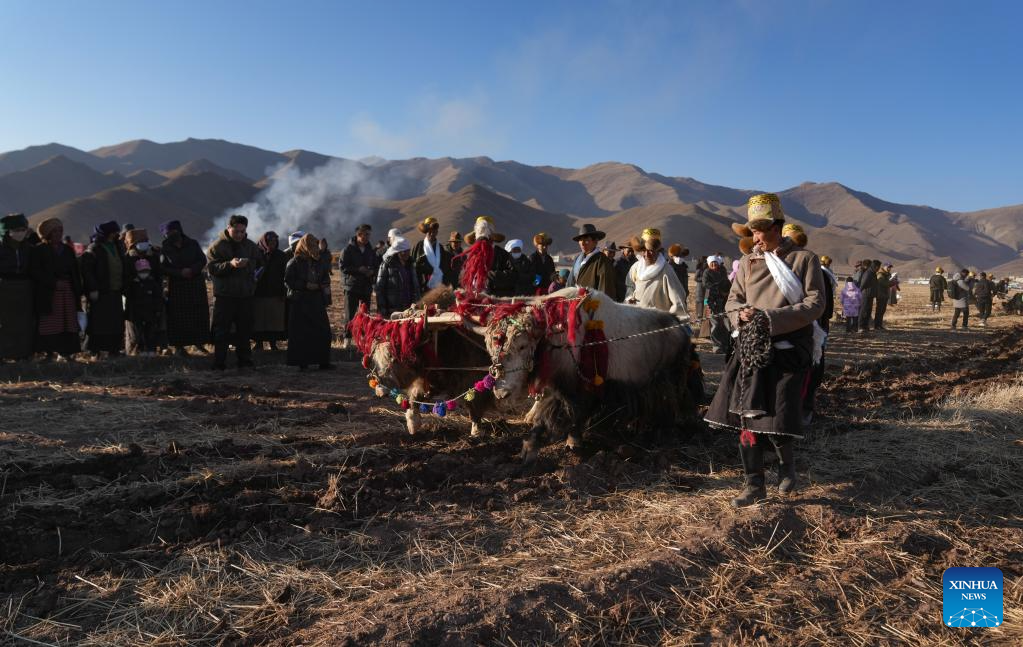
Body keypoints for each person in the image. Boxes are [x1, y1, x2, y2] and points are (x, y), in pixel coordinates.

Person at [704, 193, 825, 507]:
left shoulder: (804, 259)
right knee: (745, 418)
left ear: (777, 227)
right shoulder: (746, 262)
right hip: (750, 348)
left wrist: (771, 318)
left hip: (787, 349)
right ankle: (753, 484)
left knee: (778, 418)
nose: (755, 237)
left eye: (760, 230)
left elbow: (815, 303)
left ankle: (787, 466)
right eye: (752, 231)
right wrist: (740, 313)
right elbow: (733, 300)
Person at [207, 215, 264, 370]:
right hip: (225, 296)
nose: (239, 234)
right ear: (228, 228)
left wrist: (248, 265)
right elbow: (212, 268)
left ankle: (245, 361)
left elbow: (259, 263)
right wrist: (230, 265)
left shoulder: (250, 246)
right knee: (221, 331)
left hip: (245, 295)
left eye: (242, 231)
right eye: (236, 231)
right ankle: (219, 362)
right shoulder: (217, 247)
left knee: (244, 330)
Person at [29, 219, 82, 360]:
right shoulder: (39, 250)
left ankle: (67, 352)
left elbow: (74, 271)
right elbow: (36, 272)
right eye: (55, 231)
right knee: (50, 323)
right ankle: (49, 352)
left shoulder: (68, 250)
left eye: (60, 231)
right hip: (49, 293)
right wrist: (52, 283)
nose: (59, 234)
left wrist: (76, 288)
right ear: (47, 234)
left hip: (67, 292)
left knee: (68, 322)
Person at [160, 220, 210, 355]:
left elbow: (202, 260)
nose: (172, 235)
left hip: (195, 284)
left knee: (198, 314)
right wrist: (179, 272)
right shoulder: (165, 248)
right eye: (169, 233)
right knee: (178, 317)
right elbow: (163, 267)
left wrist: (192, 270)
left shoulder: (192, 244)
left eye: (174, 231)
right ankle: (179, 347)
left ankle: (199, 343)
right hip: (177, 286)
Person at [285, 234, 333, 370]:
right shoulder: (294, 262)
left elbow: (325, 278)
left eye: (315, 245)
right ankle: (303, 363)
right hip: (300, 301)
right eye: (311, 246)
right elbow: (288, 281)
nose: (314, 248)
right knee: (302, 333)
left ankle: (323, 361)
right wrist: (305, 285)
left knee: (322, 331)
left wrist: (321, 287)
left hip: (316, 300)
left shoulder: (319, 262)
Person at [80, 220, 126, 357]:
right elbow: (87, 271)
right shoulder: (95, 248)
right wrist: (93, 288)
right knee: (99, 323)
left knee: (115, 322)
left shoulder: (117, 246)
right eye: (113, 233)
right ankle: (95, 350)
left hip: (115, 290)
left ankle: (114, 349)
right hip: (101, 291)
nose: (116, 235)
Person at [624, 228, 688, 317]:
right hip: (636, 320)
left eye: (650, 250)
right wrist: (629, 298)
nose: (646, 254)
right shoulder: (635, 268)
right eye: (644, 250)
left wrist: (670, 323)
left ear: (658, 250)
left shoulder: (666, 270)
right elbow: (630, 287)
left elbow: (678, 302)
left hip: (657, 323)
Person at [123, 228, 166, 354]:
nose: (146, 243)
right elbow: (125, 279)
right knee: (135, 328)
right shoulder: (128, 258)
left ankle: (151, 350)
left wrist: (156, 290)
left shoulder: (153, 256)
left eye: (146, 240)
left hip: (151, 298)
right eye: (142, 241)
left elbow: (159, 275)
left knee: (152, 326)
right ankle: (134, 350)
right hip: (134, 299)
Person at [0, 213, 36, 360]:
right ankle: (3, 353)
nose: (20, 233)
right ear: (7, 231)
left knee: (23, 322)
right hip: (4, 287)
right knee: (4, 322)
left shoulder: (28, 248)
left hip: (25, 288)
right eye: (17, 229)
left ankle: (22, 354)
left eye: (23, 229)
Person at [457, 216, 515, 296]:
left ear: (492, 237)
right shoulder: (471, 255)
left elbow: (513, 275)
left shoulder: (502, 254)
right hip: (474, 296)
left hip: (497, 297)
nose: (483, 241)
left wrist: (489, 275)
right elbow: (464, 275)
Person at [340, 224, 379, 342]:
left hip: (366, 287)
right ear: (359, 234)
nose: (368, 237)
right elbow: (343, 267)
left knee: (365, 314)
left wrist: (371, 271)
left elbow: (376, 266)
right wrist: (358, 269)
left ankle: (363, 339)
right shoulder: (348, 250)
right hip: (351, 287)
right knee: (350, 314)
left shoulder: (370, 251)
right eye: (365, 234)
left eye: (369, 234)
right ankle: (347, 339)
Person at [252, 232, 287, 351]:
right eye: (270, 242)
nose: (272, 244)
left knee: (274, 320)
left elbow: (285, 275)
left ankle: (273, 343)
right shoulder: (256, 254)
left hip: (275, 293)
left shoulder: (281, 255)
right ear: (264, 242)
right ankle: (259, 343)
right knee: (259, 319)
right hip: (259, 292)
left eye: (274, 242)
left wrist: (283, 292)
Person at [568, 224, 619, 300]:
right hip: (575, 303)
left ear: (595, 241)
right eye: (580, 240)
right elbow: (570, 283)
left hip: (592, 306)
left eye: (586, 240)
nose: (582, 243)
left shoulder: (602, 260)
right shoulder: (577, 259)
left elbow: (605, 290)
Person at [124, 259, 164, 356]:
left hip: (150, 313)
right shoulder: (133, 284)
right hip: (136, 314)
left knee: (150, 333)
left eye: (146, 271)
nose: (144, 273)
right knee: (138, 334)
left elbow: (158, 298)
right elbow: (129, 298)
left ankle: (151, 350)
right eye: (142, 271)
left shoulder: (153, 283)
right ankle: (139, 350)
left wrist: (158, 310)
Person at [376, 237, 420, 317]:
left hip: (410, 308)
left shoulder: (410, 265)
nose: (407, 253)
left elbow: (415, 286)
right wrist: (383, 310)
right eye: (404, 251)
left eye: (408, 251)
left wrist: (417, 302)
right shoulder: (387, 265)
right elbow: (380, 289)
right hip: (394, 309)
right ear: (398, 252)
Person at [411, 217, 455, 292]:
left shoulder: (440, 248)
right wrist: (420, 265)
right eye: (429, 231)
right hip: (423, 286)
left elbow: (445, 267)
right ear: (425, 231)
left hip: (440, 285)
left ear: (437, 231)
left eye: (434, 231)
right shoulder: (418, 246)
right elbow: (413, 266)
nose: (432, 233)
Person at [702, 254, 732, 353]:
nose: (714, 265)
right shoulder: (707, 272)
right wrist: (716, 287)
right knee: (714, 323)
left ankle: (727, 345)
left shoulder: (722, 271)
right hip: (711, 299)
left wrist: (726, 290)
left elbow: (727, 282)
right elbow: (705, 283)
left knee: (726, 323)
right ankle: (717, 346)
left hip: (723, 299)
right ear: (709, 264)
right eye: (712, 263)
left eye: (715, 263)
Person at [856, 259, 878, 332]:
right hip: (866, 294)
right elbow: (863, 283)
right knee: (863, 311)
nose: (878, 269)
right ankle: (860, 327)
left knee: (868, 311)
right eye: (877, 267)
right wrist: (859, 292)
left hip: (870, 294)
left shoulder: (873, 273)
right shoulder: (868, 273)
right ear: (875, 266)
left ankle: (865, 326)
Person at [874, 263, 891, 330]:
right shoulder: (880, 274)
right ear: (884, 267)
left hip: (885, 295)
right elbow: (883, 283)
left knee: (882, 311)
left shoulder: (886, 274)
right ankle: (876, 325)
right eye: (888, 267)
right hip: (880, 295)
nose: (889, 268)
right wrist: (892, 282)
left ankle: (879, 325)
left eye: (890, 267)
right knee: (879, 311)